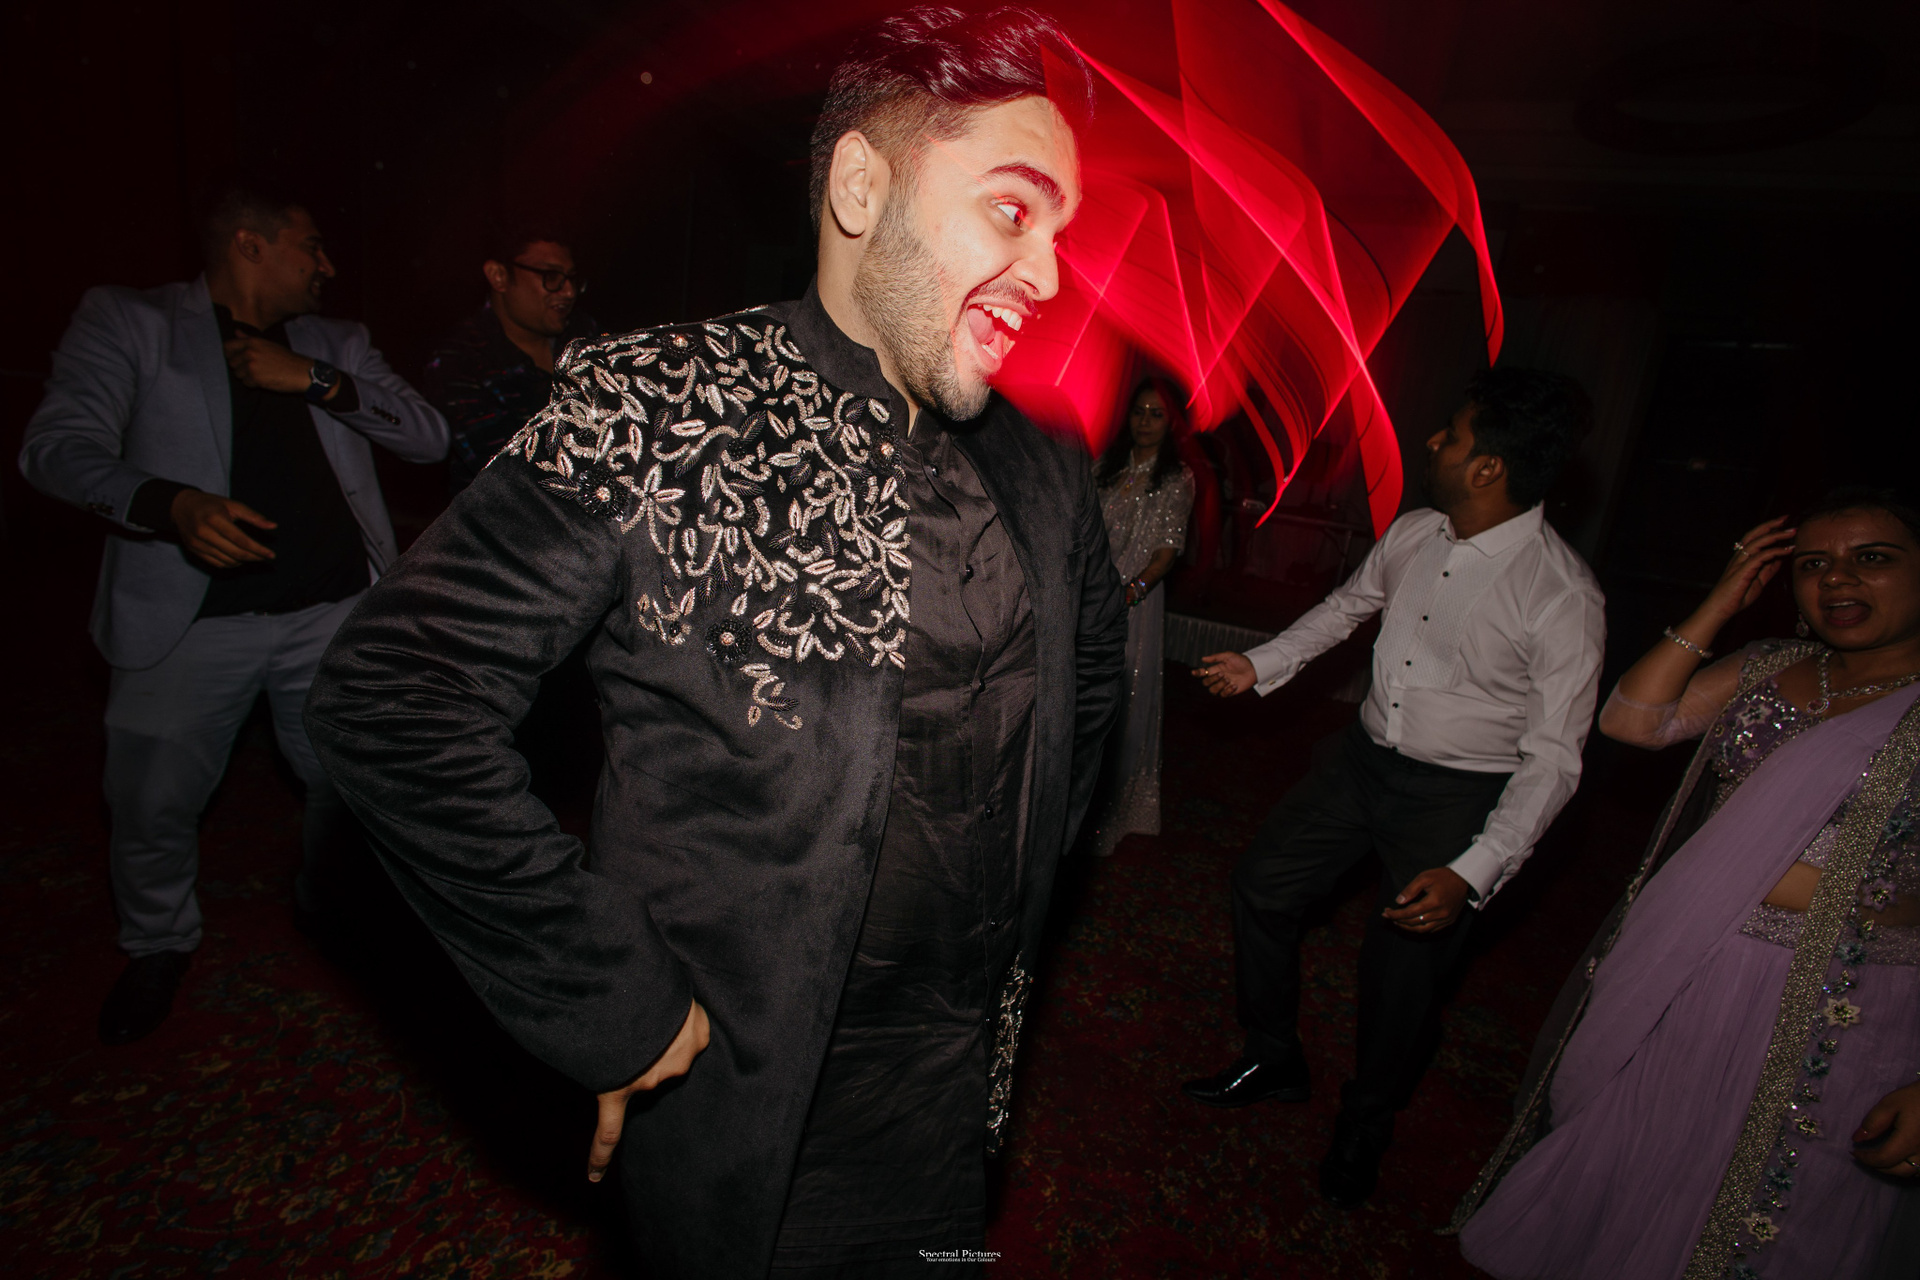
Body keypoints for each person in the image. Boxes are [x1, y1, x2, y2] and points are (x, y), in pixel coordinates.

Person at [302, 9, 1126, 1276]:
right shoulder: (657, 406)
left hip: (961, 1098)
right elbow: (391, 695)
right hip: (750, 1107)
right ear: (862, 187)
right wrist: (607, 995)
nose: (1054, 276)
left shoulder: (1046, 459)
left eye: (1063, 233)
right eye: (1014, 211)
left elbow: (1090, 689)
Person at [18, 182, 448, 1045]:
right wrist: (169, 504)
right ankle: (157, 943)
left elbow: (428, 436)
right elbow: (55, 450)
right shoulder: (133, 322)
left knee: (346, 782)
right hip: (189, 622)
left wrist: (317, 382)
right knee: (151, 803)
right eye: (311, 246)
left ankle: (325, 903)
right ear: (250, 244)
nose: (328, 265)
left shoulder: (337, 342)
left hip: (330, 613)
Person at [1455, 489, 1920, 1280]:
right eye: (1812, 564)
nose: (1837, 580)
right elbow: (1632, 720)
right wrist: (1721, 602)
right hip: (1695, 963)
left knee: (1782, 1203)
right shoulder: (1770, 665)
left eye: (1871, 559)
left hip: (1844, 996)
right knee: (1645, 1149)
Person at [1181, 368, 1605, 1209]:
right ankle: (1274, 1056)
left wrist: (1474, 870)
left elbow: (1554, 759)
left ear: (1488, 467)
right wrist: (1262, 663)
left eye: (1452, 433)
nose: (1433, 441)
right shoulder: (1415, 531)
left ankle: (1365, 1123)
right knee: (1262, 886)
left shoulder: (1563, 596)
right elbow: (1348, 607)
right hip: (1362, 762)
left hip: (1458, 800)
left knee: (1400, 977)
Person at [1084, 376, 1196, 856]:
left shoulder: (1176, 478)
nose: (1145, 422)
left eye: (1156, 414)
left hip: (1137, 601)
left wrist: (1128, 595)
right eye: (1138, 412)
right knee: (1083, 698)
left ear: (1171, 424)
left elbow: (1165, 555)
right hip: (1092, 594)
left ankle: (1111, 812)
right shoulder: (1104, 466)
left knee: (1124, 701)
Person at [423, 226, 601, 493]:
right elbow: (514, 472)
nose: (568, 292)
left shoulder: (583, 334)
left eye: (571, 279)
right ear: (499, 276)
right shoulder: (460, 361)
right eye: (551, 276)